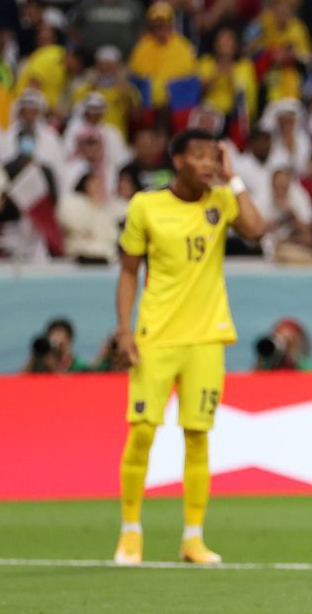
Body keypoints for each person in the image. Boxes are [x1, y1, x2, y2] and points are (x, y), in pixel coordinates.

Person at [112, 129, 266, 567]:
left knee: (198, 436)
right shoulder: (145, 205)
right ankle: (130, 532)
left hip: (206, 338)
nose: (206, 164)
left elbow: (257, 230)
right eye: (197, 155)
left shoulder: (220, 200)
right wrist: (124, 330)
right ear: (177, 160)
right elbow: (127, 272)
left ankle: (193, 538)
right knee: (142, 431)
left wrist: (234, 180)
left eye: (211, 157)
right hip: (156, 337)